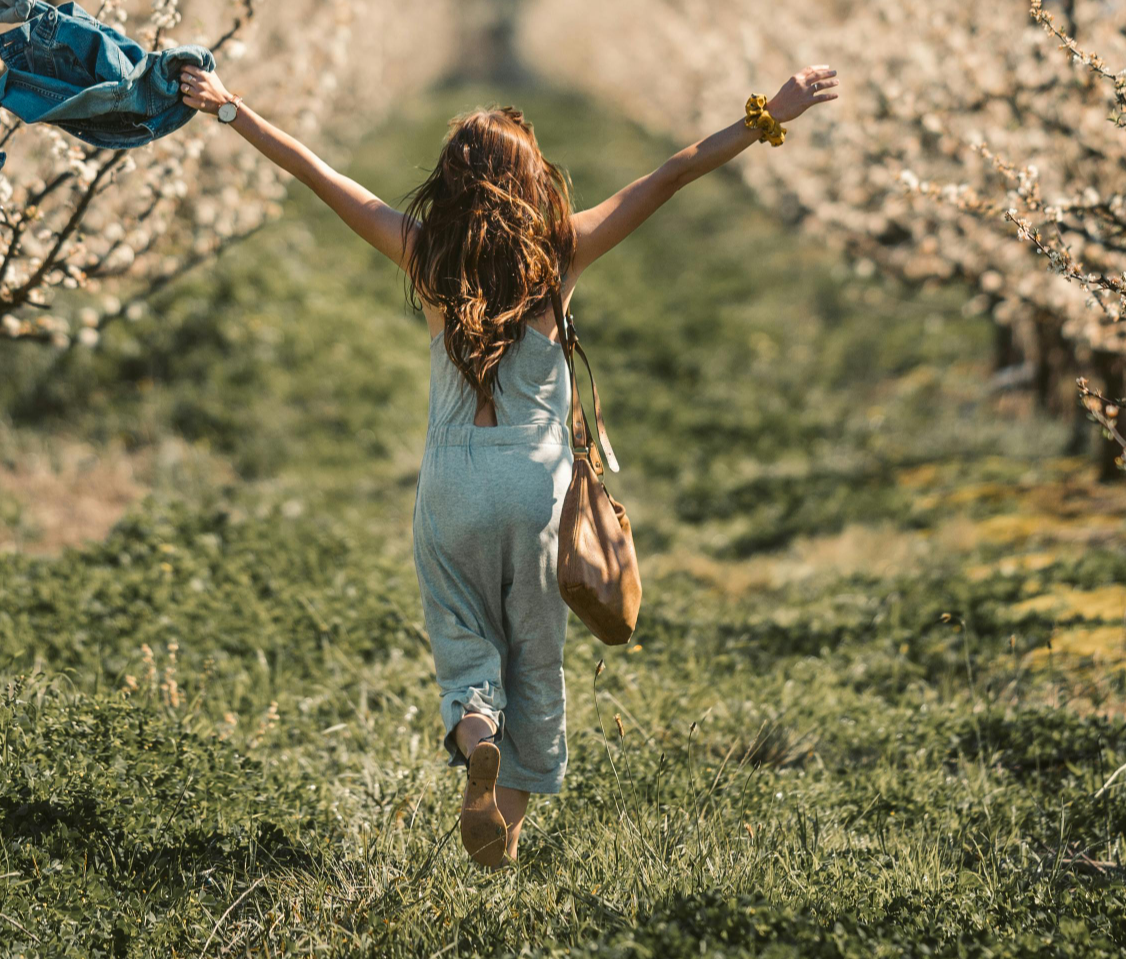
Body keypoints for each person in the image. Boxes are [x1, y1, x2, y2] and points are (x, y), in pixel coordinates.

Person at [176, 62, 840, 867]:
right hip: (536, 488)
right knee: (535, 655)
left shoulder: (423, 257)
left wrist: (229, 109)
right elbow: (673, 172)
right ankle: (503, 840)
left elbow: (322, 175)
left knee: (464, 640)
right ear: (529, 182)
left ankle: (475, 731)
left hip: (452, 483)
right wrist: (772, 115)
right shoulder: (561, 257)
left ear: (452, 186)